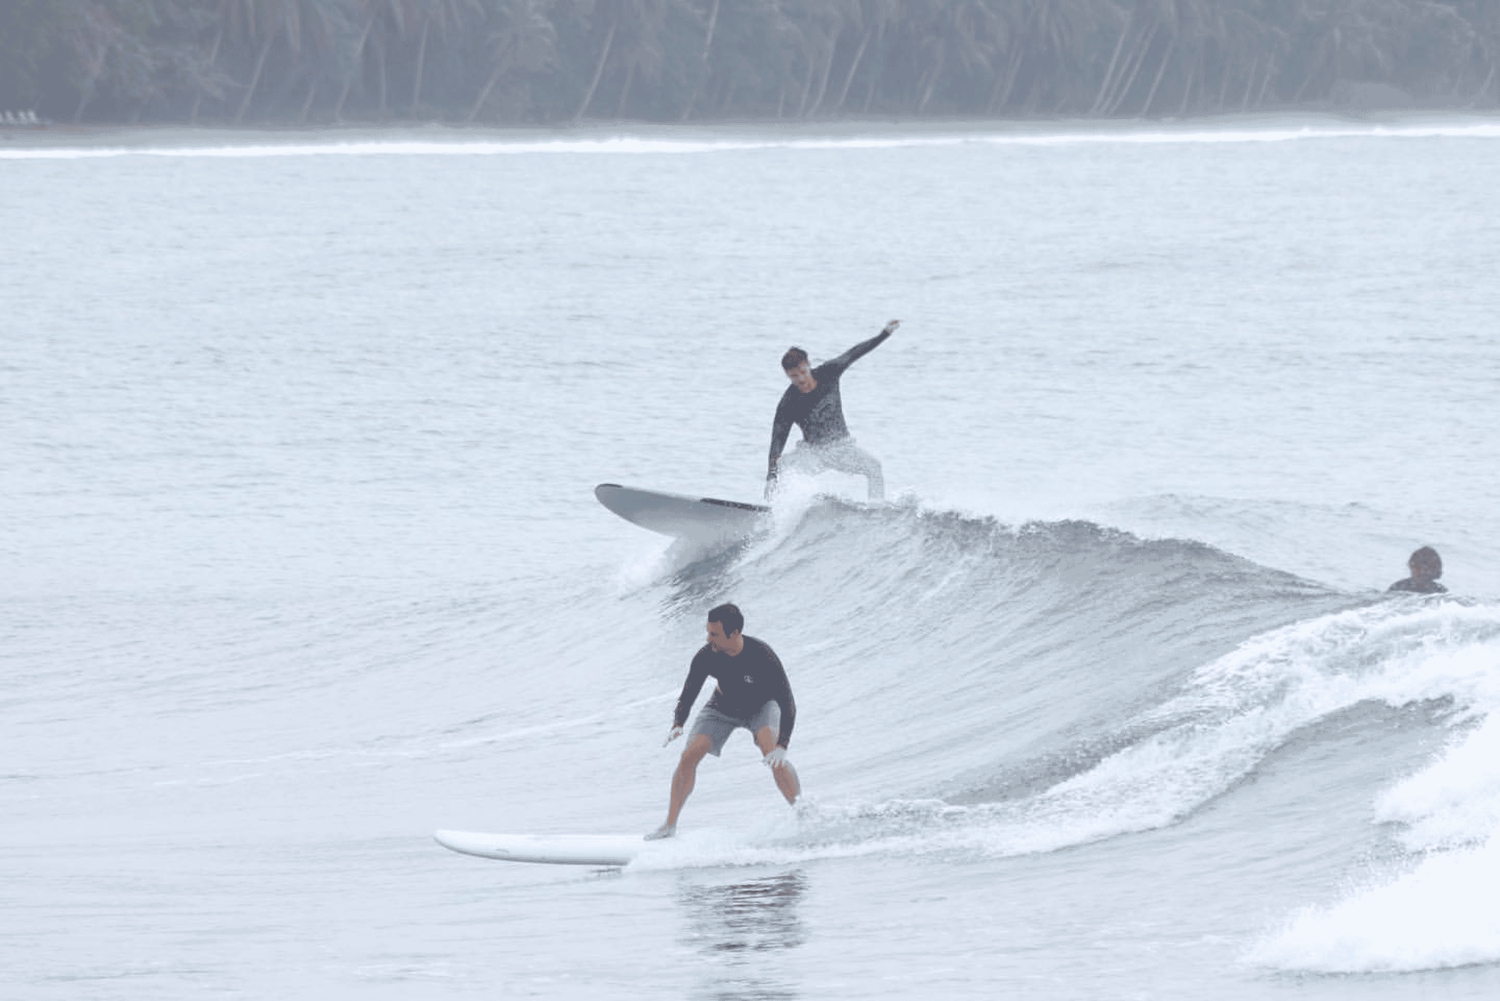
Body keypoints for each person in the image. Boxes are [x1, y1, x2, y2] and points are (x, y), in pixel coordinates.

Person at [648, 603, 799, 840]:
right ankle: (669, 826)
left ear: (735, 633)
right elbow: (690, 690)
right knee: (689, 756)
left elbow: (787, 701)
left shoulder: (762, 655)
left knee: (772, 754)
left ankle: (802, 814)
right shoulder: (707, 655)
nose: (709, 639)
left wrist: (783, 745)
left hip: (761, 707)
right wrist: (678, 722)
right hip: (722, 707)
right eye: (708, 632)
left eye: (715, 634)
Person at [766, 320, 899, 501]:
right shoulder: (788, 403)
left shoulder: (829, 372)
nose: (800, 379)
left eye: (802, 372)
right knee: (785, 469)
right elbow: (777, 441)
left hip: (842, 447)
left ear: (808, 365)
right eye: (794, 376)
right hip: (813, 453)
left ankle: (876, 511)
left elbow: (854, 353)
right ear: (788, 375)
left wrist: (884, 334)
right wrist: (771, 476)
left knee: (874, 467)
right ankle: (784, 513)